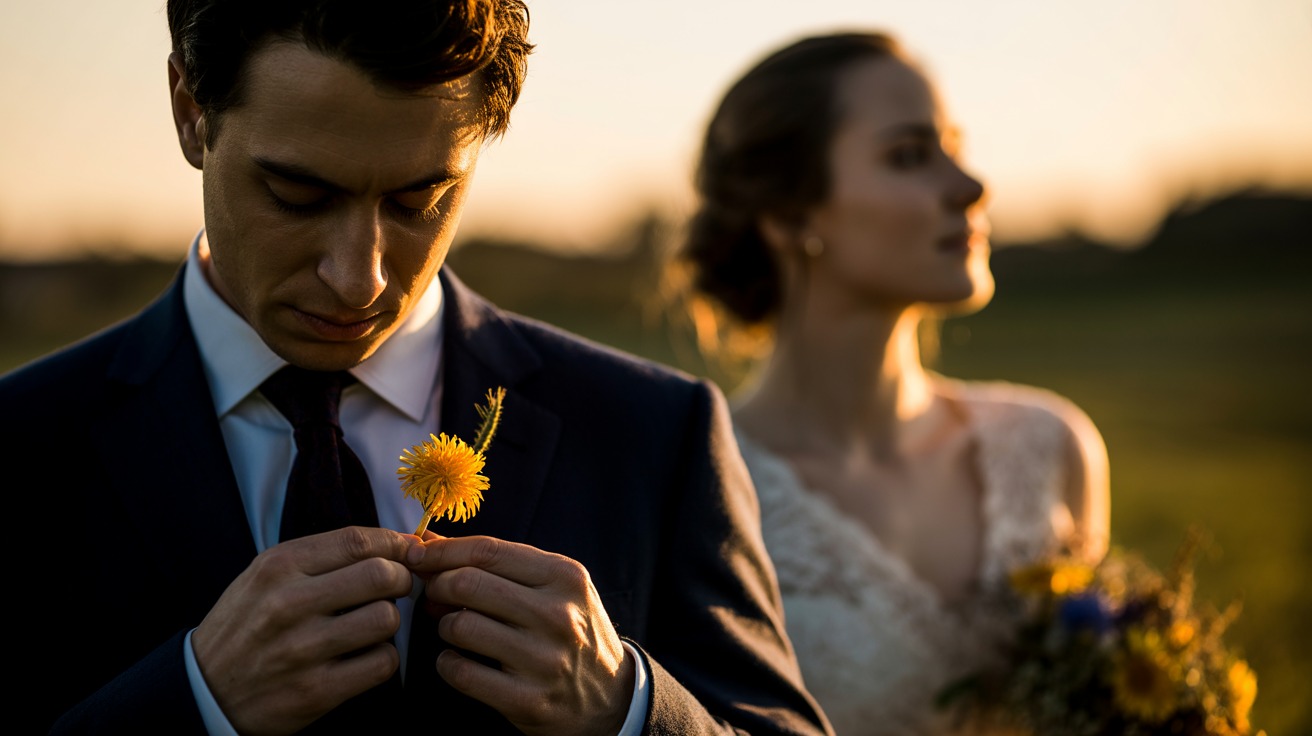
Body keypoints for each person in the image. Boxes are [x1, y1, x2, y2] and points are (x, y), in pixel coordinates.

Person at [3, 2, 832, 734]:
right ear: (191, 112)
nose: (357, 275)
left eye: (419, 201)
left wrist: (628, 711)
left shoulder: (656, 430)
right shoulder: (20, 445)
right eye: (296, 194)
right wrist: (192, 703)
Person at [674, 32, 1111, 734]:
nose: (971, 186)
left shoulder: (1048, 447)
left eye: (954, 147)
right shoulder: (699, 483)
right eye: (910, 155)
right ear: (789, 214)